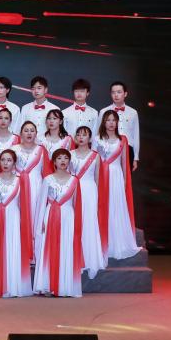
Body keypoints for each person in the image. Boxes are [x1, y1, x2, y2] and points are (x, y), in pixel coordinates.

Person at [0, 150, 32, 298]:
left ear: (14, 163)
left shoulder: (20, 180)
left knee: (13, 248)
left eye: (9, 160)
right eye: (3, 160)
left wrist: (23, 224)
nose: (5, 163)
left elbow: (24, 205)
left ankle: (13, 286)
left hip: (14, 218)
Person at [32, 149, 83, 297]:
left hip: (68, 217)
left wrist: (76, 223)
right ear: (54, 162)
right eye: (59, 158)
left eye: (66, 158)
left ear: (69, 161)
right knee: (49, 249)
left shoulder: (74, 180)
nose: (63, 161)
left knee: (66, 249)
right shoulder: (48, 179)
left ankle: (65, 286)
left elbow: (76, 204)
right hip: (50, 216)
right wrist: (41, 221)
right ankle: (47, 285)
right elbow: (41, 203)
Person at [94, 110, 140, 260]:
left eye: (114, 120)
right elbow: (93, 161)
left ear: (117, 122)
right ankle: (102, 243)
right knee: (102, 206)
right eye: (108, 120)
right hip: (101, 176)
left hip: (116, 176)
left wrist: (125, 182)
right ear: (103, 122)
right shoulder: (97, 139)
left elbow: (124, 163)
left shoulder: (123, 140)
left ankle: (117, 243)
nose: (111, 123)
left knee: (116, 206)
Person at [70, 126, 106, 279]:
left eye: (84, 135)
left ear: (90, 138)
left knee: (89, 223)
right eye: (78, 135)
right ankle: (74, 260)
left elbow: (97, 178)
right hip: (73, 191)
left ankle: (90, 259)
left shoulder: (95, 156)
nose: (81, 137)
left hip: (90, 191)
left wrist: (97, 197)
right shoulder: (70, 154)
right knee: (74, 224)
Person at [13, 121, 49, 228]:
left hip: (36, 187)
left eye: (32, 131)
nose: (29, 133)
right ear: (21, 134)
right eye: (26, 131)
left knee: (34, 214)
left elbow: (47, 174)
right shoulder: (13, 149)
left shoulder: (42, 150)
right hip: (16, 186)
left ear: (36, 133)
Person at [98, 81, 140, 171]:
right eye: (113, 92)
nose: (116, 95)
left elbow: (135, 135)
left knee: (125, 178)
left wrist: (135, 157)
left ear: (125, 94)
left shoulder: (133, 112)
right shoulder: (103, 111)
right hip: (108, 150)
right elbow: (99, 134)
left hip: (127, 150)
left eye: (119, 92)